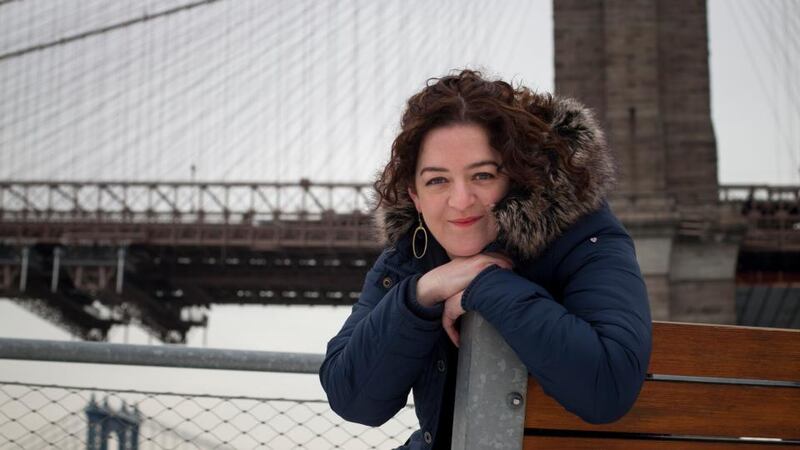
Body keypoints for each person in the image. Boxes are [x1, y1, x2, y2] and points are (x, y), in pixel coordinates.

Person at [319, 69, 652, 449]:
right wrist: (422, 294)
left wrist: (488, 286)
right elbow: (354, 400)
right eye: (437, 181)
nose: (460, 201)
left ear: (515, 176)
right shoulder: (413, 253)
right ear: (414, 196)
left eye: (481, 176)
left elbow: (607, 387)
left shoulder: (583, 236)